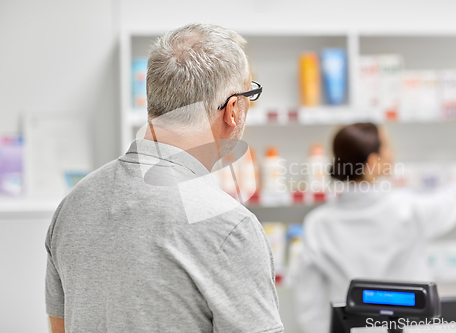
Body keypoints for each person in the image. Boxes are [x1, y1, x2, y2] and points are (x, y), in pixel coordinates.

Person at [45, 23, 283, 333]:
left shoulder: (73, 205)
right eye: (250, 95)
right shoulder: (229, 226)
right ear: (233, 110)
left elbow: (59, 327)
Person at [292, 99, 456, 333]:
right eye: (388, 146)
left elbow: (309, 307)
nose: (393, 152)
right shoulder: (406, 209)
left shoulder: (318, 223)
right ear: (373, 162)